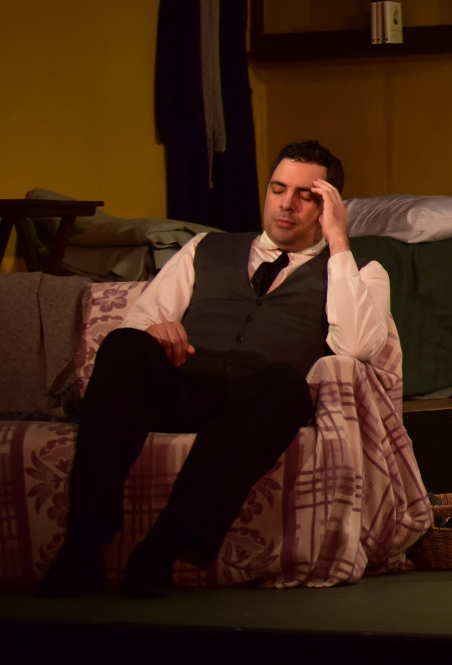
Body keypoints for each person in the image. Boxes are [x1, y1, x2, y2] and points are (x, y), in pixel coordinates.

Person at [38, 141, 391, 598]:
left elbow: (358, 345)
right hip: (182, 385)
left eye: (305, 195)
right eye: (278, 189)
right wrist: (157, 331)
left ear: (330, 205)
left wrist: (338, 241)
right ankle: (84, 543)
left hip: (253, 409)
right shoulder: (206, 248)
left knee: (286, 385)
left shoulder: (361, 272)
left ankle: (163, 548)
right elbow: (138, 322)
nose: (286, 204)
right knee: (125, 345)